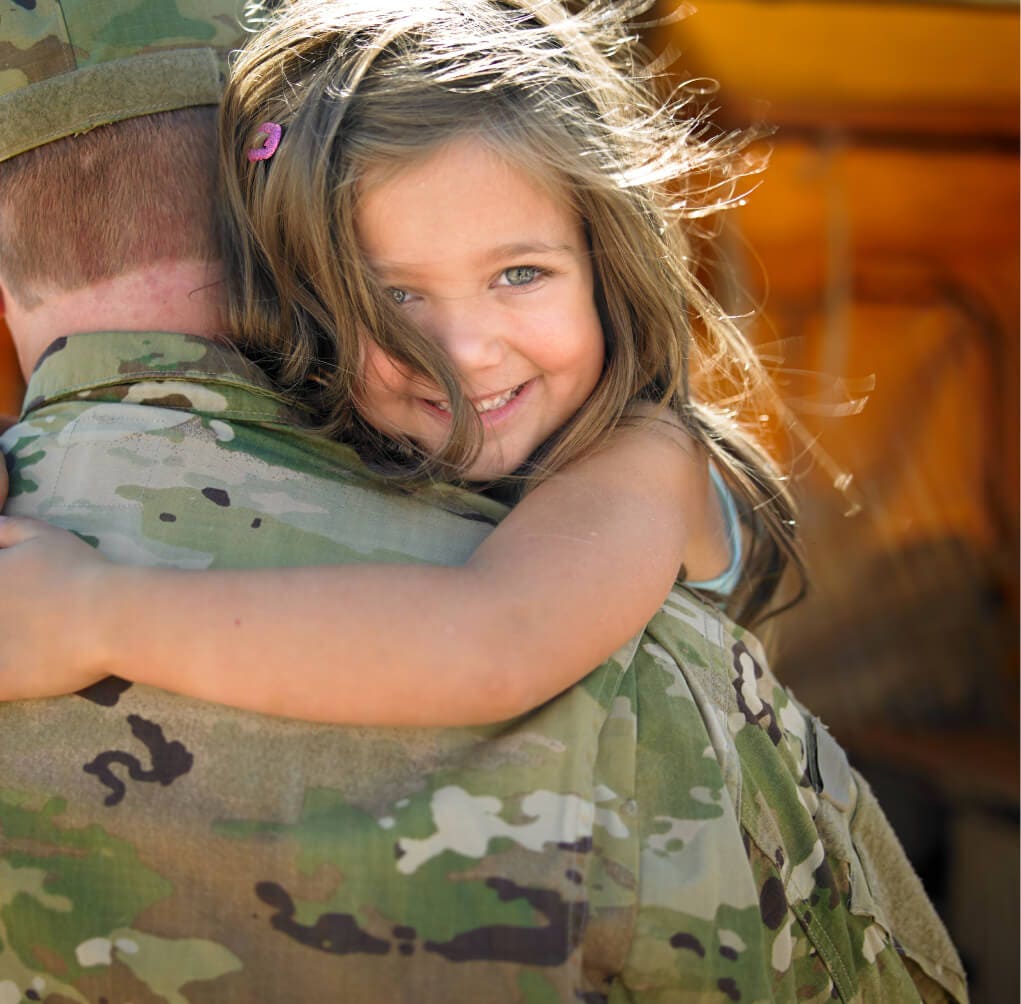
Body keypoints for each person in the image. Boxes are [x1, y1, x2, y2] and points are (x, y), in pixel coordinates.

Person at [0, 1, 966, 1001]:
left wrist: (94, 610)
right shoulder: (378, 428)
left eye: (519, 273)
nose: (463, 351)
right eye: (391, 296)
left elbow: (491, 640)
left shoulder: (642, 459)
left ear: (606, 263)